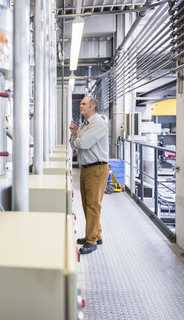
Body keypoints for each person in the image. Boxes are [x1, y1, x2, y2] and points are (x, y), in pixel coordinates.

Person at [69, 96, 109, 254]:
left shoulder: (98, 123)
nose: (81, 105)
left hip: (96, 169)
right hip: (86, 167)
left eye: (84, 104)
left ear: (92, 106)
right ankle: (95, 235)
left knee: (93, 205)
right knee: (88, 204)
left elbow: (83, 144)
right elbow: (75, 144)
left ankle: (91, 241)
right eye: (80, 103)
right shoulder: (85, 125)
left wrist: (78, 139)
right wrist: (75, 134)